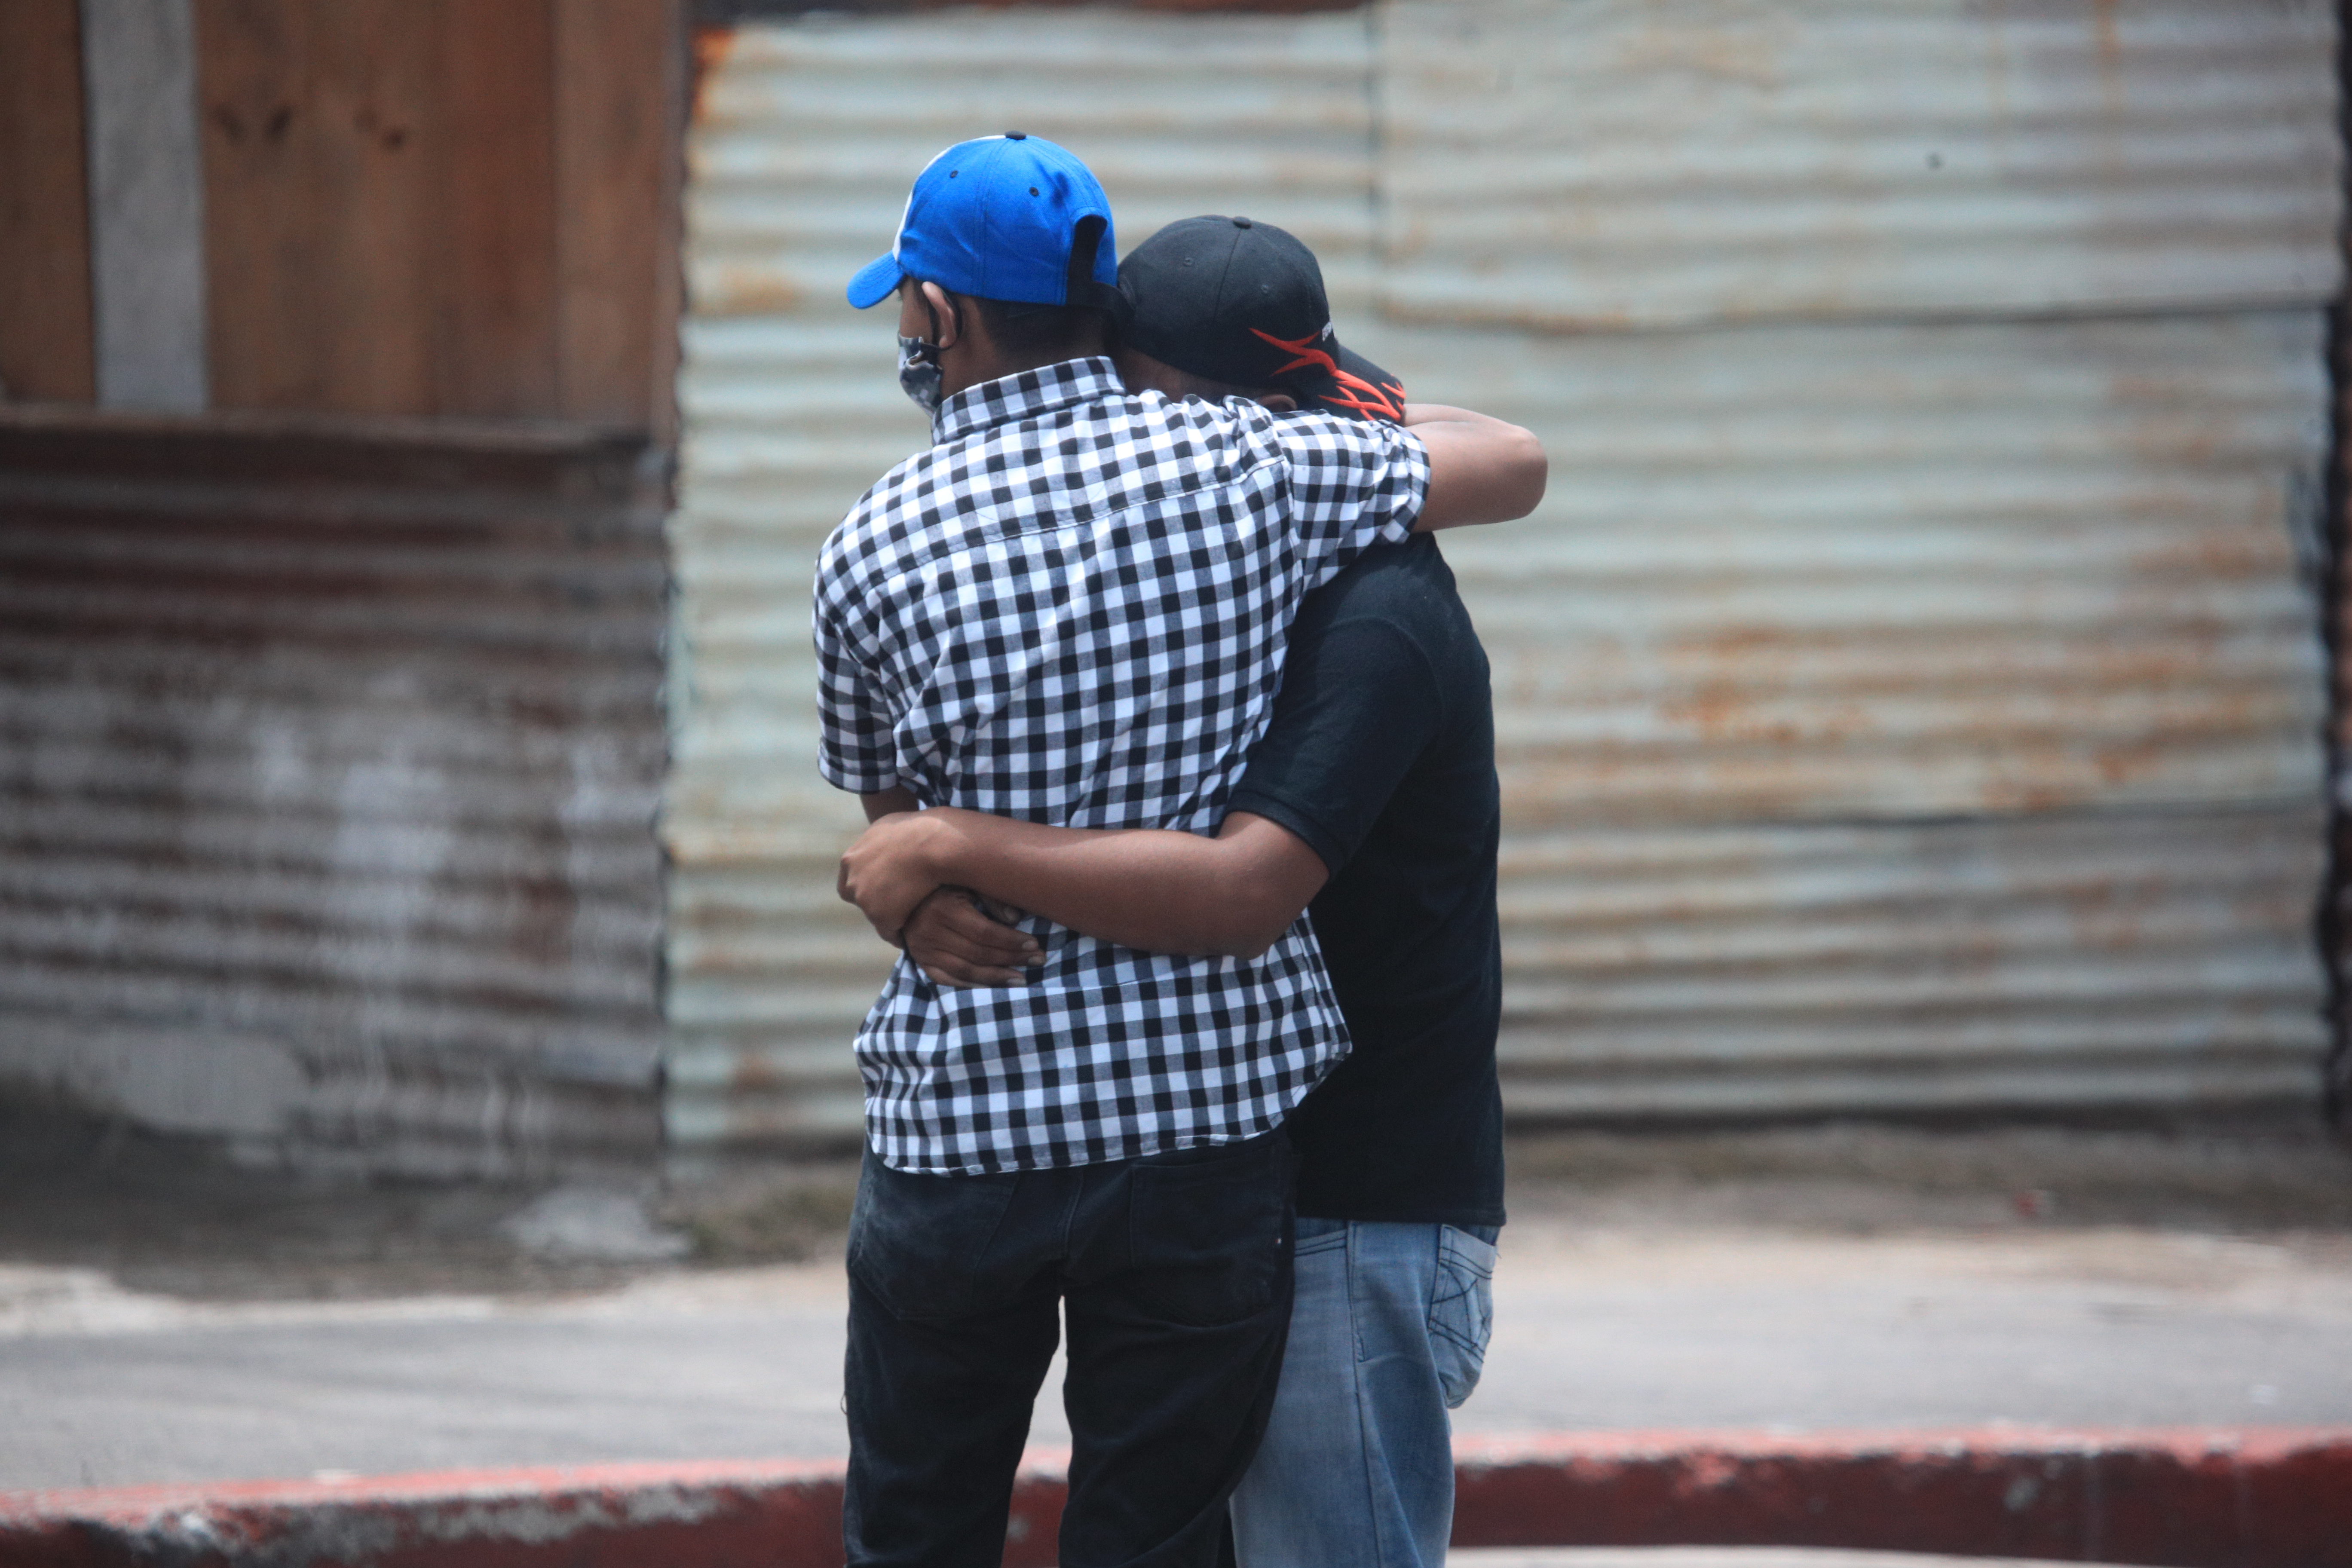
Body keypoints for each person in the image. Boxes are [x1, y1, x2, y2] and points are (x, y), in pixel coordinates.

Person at [818, 138, 1544, 1568]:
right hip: (1204, 1133)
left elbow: (891, 836)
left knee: (915, 1525)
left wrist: (929, 875)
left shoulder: (868, 546)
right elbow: (1509, 463)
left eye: (908, 303)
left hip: (966, 1121)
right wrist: (1352, 397)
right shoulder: (1255, 466)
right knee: (1155, 1544)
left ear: (942, 318)